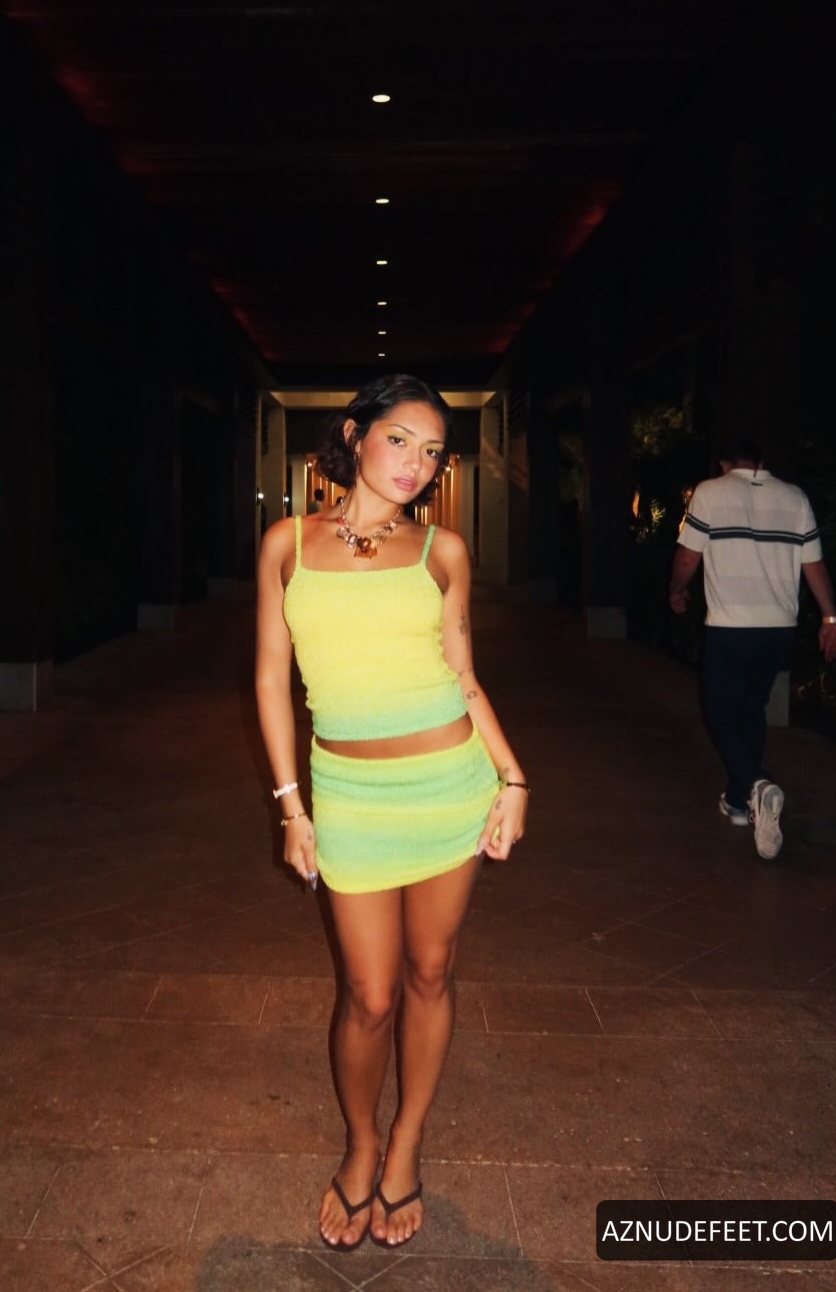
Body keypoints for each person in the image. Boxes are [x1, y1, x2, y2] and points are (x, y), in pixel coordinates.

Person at [255, 373, 528, 1250]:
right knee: (368, 995)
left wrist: (513, 780)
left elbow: (465, 677)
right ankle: (361, 1141)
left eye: (433, 451)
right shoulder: (288, 544)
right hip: (348, 795)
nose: (417, 462)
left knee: (430, 973)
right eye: (400, 439)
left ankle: (406, 1142)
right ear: (355, 434)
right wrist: (291, 807)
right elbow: (270, 680)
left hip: (449, 785)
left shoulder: (442, 551)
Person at [669, 434, 836, 860]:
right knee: (749, 709)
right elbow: (814, 564)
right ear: (760, 461)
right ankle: (737, 800)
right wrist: (830, 618)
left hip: (731, 626)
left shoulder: (710, 493)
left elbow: (688, 557)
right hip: (778, 629)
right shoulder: (795, 497)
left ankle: (756, 784)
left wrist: (676, 589)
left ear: (724, 464)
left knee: (718, 710)